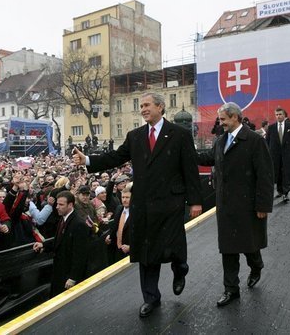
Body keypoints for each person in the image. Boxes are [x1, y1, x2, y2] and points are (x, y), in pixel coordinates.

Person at [73, 92, 202, 318]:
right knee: (147, 251)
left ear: (160, 107)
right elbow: (116, 157)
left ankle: (180, 269)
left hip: (170, 202)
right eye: (140, 105)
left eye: (147, 105)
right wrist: (89, 160)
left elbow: (190, 170)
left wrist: (195, 201)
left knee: (174, 246)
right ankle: (151, 298)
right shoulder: (135, 136)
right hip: (143, 203)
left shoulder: (179, 135)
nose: (143, 109)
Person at [197, 102, 274, 306]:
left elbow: (265, 175)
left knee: (249, 245)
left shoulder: (255, 141)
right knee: (228, 249)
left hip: (248, 206)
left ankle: (256, 265)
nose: (220, 123)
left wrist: (263, 206)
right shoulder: (221, 141)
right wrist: (185, 154)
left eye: (223, 119)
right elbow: (208, 158)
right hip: (225, 206)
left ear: (235, 117)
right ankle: (231, 289)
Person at [33, 191, 89, 297]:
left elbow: (80, 254)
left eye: (61, 205)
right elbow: (59, 240)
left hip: (68, 275)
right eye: (57, 204)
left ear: (70, 205)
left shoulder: (78, 224)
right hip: (60, 271)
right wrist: (44, 245)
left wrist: (73, 277)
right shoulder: (63, 219)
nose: (57, 207)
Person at [266, 107, 290, 203]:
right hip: (275, 156)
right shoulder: (271, 128)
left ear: (284, 115)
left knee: (287, 174)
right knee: (278, 174)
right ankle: (280, 191)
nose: (278, 116)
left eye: (280, 114)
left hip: (287, 155)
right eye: (276, 115)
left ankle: (286, 193)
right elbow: (267, 142)